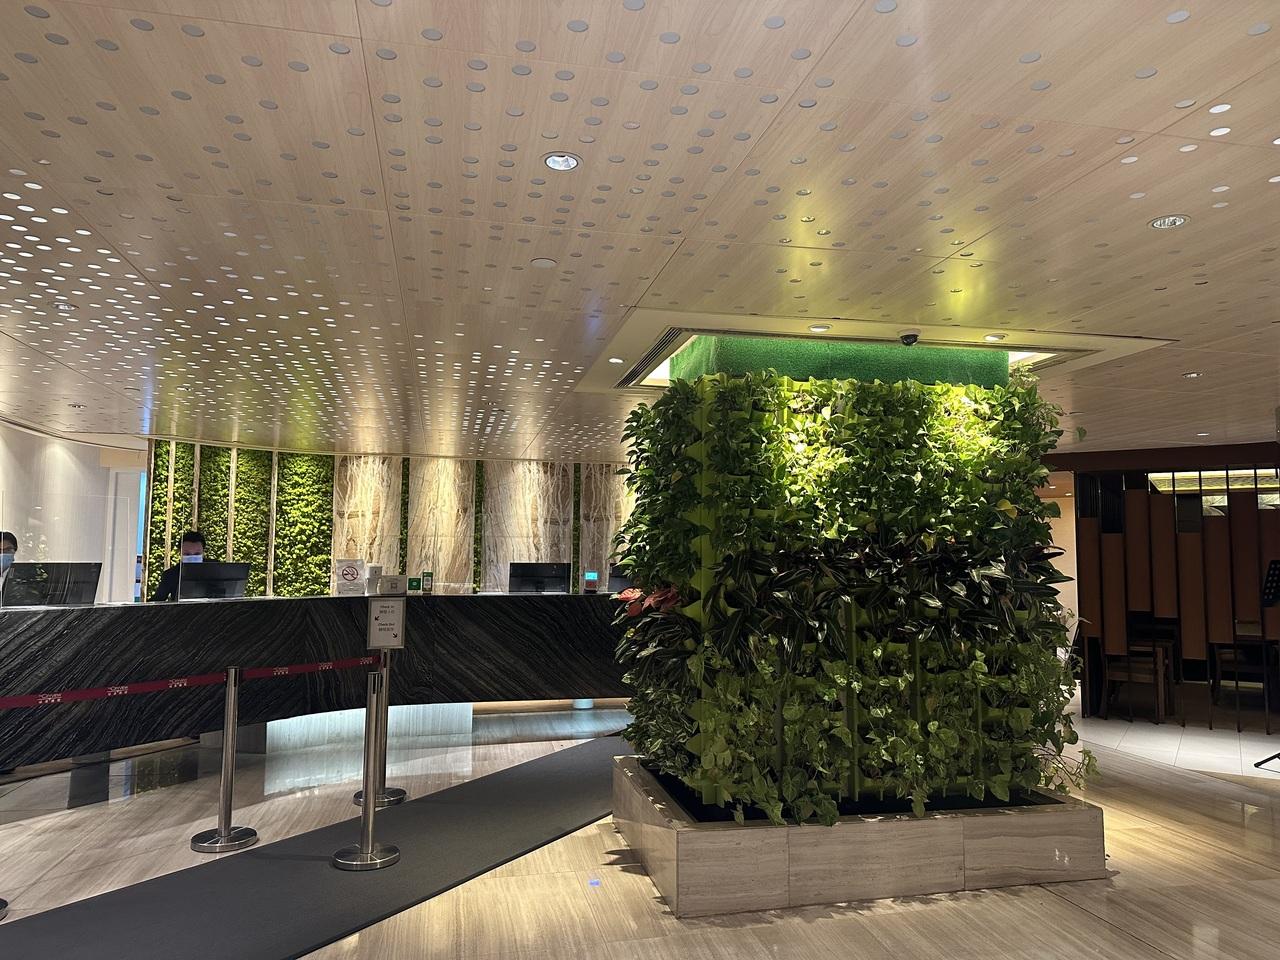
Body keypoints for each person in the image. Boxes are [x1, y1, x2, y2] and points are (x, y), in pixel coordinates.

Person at [150, 530, 205, 602]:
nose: (192, 557)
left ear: (203, 552)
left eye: (197, 554)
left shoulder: (215, 570)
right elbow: (157, 600)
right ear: (180, 553)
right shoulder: (170, 575)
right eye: (187, 554)